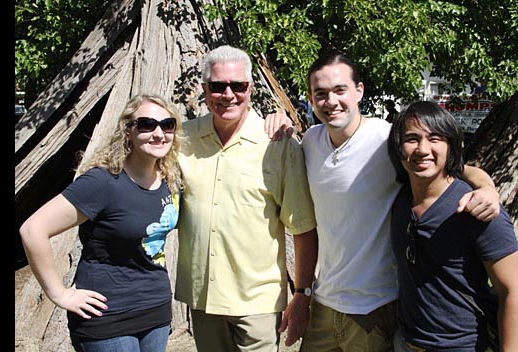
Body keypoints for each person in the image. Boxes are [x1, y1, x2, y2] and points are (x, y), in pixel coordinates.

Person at [265, 52, 501, 351]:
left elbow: (455, 168)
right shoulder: (310, 142)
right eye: (320, 94)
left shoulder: (386, 139)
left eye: (340, 90)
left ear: (359, 91)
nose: (331, 101)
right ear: (310, 100)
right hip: (324, 304)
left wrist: (488, 188)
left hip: (376, 309)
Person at [173, 45, 318, 352]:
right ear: (204, 89)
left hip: (257, 303)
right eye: (218, 86)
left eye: (238, 86)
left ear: (251, 88)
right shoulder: (182, 140)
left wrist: (302, 293)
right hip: (203, 299)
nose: (228, 94)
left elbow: (303, 227)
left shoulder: (277, 144)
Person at [19, 94, 184, 352]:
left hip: (155, 312)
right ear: (128, 131)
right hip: (107, 316)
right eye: (147, 124)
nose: (158, 133)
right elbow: (33, 230)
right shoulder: (103, 182)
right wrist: (58, 293)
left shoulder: (169, 180)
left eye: (167, 124)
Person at [387, 100, 518, 351]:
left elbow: (513, 292)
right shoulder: (401, 198)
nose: (422, 149)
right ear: (398, 148)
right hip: (405, 342)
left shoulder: (478, 209)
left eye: (435, 138)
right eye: (411, 138)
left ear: (450, 145)